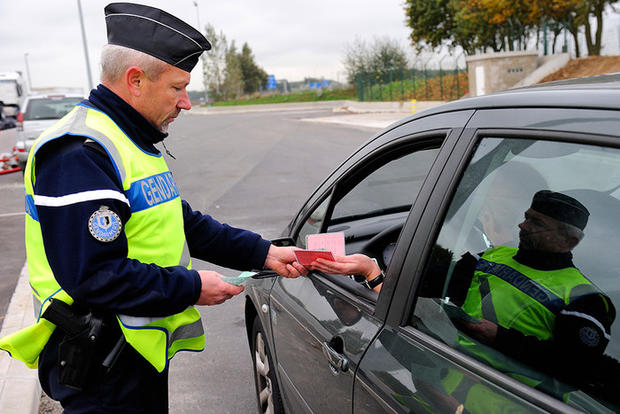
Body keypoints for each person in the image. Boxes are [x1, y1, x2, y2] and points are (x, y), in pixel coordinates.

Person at [0, 3, 305, 413]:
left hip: (129, 356)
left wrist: (263, 252)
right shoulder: (80, 152)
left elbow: (180, 221)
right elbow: (95, 276)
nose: (187, 103)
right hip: (98, 368)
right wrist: (193, 287)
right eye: (178, 88)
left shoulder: (128, 138)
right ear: (136, 80)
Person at [311, 190, 618, 404]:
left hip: (510, 402)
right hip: (444, 384)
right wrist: (372, 274)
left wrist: (498, 337)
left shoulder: (585, 298)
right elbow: (428, 283)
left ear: (569, 239)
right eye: (526, 217)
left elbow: (574, 370)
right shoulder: (497, 256)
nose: (522, 225)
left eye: (537, 223)